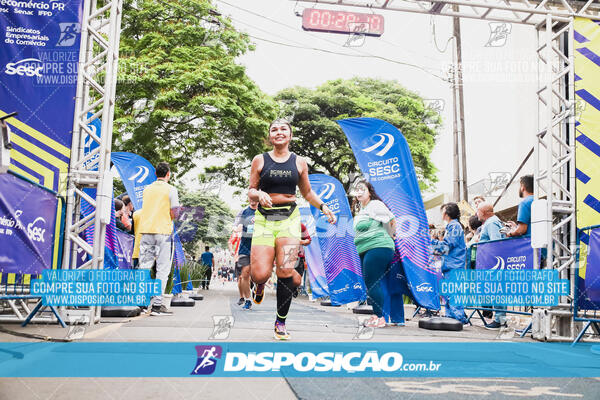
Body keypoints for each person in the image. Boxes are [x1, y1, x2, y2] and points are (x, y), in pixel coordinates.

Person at [248, 119, 336, 340]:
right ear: (270, 136)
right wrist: (259, 194)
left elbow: (307, 193)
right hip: (264, 220)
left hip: (289, 219)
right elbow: (250, 190)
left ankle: (280, 321)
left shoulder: (299, 162)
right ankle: (261, 284)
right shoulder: (259, 160)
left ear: (290, 135)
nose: (278, 132)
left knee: (285, 271)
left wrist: (324, 207)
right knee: (259, 274)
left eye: (283, 129)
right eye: (274, 130)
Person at [352, 180, 397, 328]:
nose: (359, 192)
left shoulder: (375, 205)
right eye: (356, 190)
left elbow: (391, 220)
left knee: (372, 283)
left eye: (362, 189)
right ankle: (376, 316)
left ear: (369, 192)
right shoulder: (363, 209)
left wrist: (391, 236)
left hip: (378, 247)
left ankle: (380, 318)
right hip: (367, 249)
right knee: (371, 283)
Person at [138, 161, 180, 316]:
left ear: (156, 174)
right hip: (163, 232)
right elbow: (174, 212)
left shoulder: (147, 189)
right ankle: (157, 306)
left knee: (144, 268)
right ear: (168, 174)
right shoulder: (171, 189)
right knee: (162, 269)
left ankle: (141, 304)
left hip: (146, 230)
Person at [431, 203, 468, 324]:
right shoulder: (452, 226)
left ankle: (458, 318)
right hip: (450, 265)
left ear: (447, 213)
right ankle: (451, 317)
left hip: (454, 265)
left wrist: (430, 241)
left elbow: (447, 246)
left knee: (453, 292)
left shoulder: (454, 226)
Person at [476, 202, 507, 329]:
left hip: (493, 263)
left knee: (497, 290)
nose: (476, 213)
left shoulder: (491, 223)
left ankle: (499, 320)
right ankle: (500, 319)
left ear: (484, 212)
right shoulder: (492, 222)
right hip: (493, 263)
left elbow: (496, 242)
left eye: (478, 211)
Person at [235, 197, 258, 310]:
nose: (252, 200)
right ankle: (248, 300)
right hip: (245, 248)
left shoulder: (264, 211)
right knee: (244, 275)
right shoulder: (244, 212)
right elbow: (237, 226)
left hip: (260, 248)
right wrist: (238, 228)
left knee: (260, 274)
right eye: (251, 198)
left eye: (255, 198)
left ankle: (259, 287)